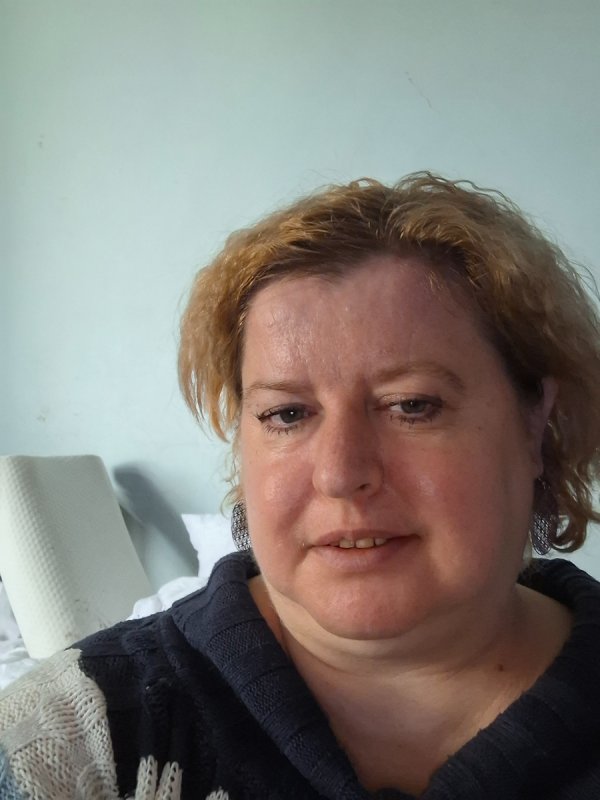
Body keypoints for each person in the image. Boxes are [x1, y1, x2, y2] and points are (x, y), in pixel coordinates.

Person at [1, 173, 600, 800]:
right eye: (287, 414)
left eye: (412, 405)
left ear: (536, 424)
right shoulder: (70, 741)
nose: (339, 473)